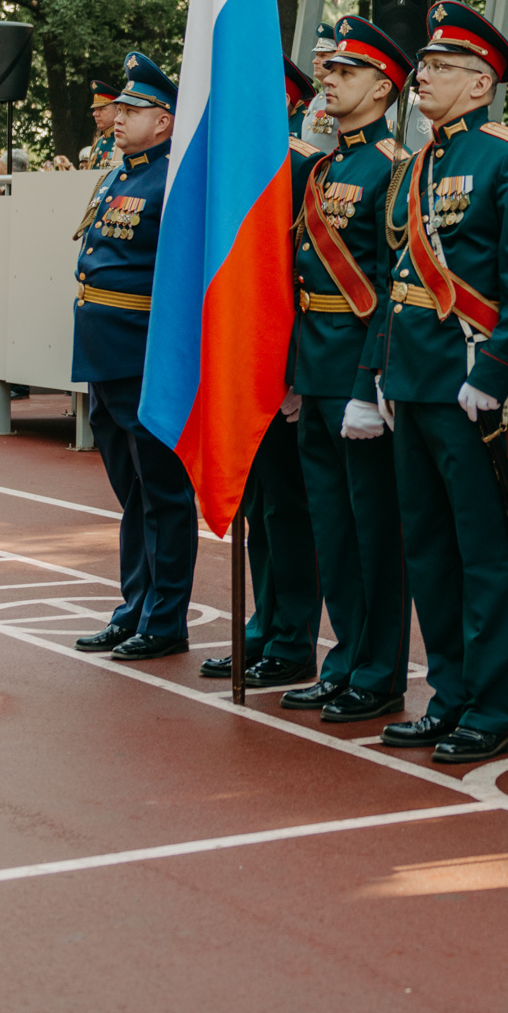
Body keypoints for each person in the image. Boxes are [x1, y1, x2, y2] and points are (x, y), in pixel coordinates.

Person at [360, 0, 508, 766]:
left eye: (439, 67)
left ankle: (490, 706)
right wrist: (375, 374)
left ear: (481, 83)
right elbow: (393, 278)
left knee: (482, 550)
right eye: (424, 65)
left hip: (469, 383)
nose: (422, 77)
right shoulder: (415, 168)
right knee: (428, 550)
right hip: (411, 379)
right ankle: (447, 695)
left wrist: (497, 371)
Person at [288, 16, 416, 723]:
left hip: (361, 374)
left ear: (381, 86)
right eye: (328, 70)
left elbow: (393, 288)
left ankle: (379, 670)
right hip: (316, 368)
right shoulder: (327, 166)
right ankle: (344, 659)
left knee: (373, 532)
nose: (327, 80)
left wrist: (372, 381)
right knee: (332, 529)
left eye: (343, 71)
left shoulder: (392, 169)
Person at [70, 52, 200, 663]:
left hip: (144, 352)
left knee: (163, 494)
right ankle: (134, 608)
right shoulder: (122, 174)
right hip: (104, 352)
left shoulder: (171, 181)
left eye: (134, 109)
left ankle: (165, 617)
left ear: (166, 121)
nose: (118, 118)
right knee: (132, 495)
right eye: (118, 108)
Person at [208, 58, 331, 690]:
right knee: (258, 503)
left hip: (282, 367)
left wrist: (290, 374)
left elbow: (302, 285)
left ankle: (292, 639)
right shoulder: (232, 167)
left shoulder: (304, 167)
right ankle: (263, 623)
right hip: (242, 361)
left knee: (289, 507)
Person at [82, 78, 121, 170]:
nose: (95, 114)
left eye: (101, 109)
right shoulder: (98, 143)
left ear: (118, 111)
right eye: (95, 109)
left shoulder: (126, 140)